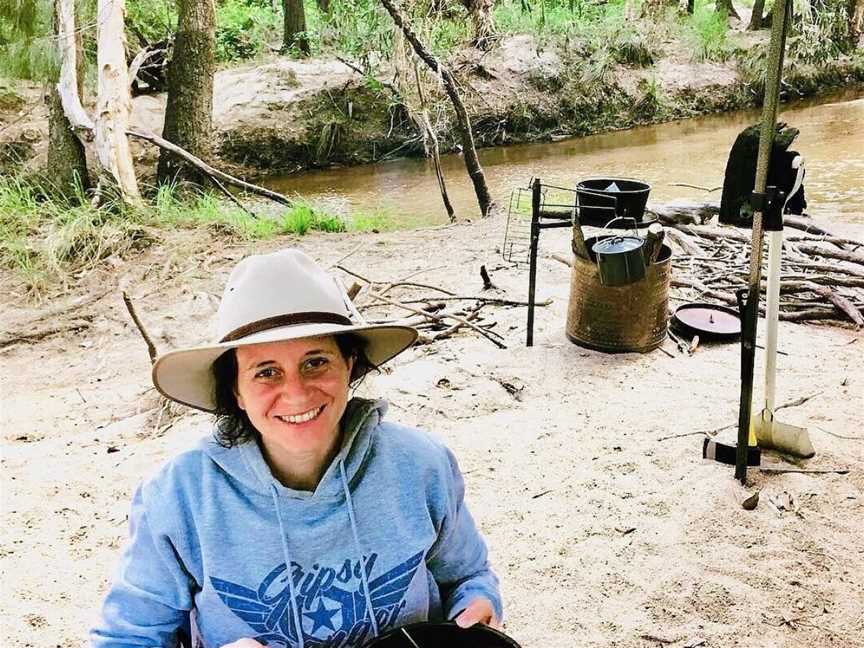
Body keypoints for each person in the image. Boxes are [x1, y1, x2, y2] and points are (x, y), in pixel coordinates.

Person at [90, 249, 502, 648]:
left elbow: (467, 577)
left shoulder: (422, 464)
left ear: (350, 365)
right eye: (266, 372)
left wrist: (477, 606)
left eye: (315, 362)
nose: (296, 393)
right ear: (235, 388)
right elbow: (125, 638)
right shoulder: (177, 497)